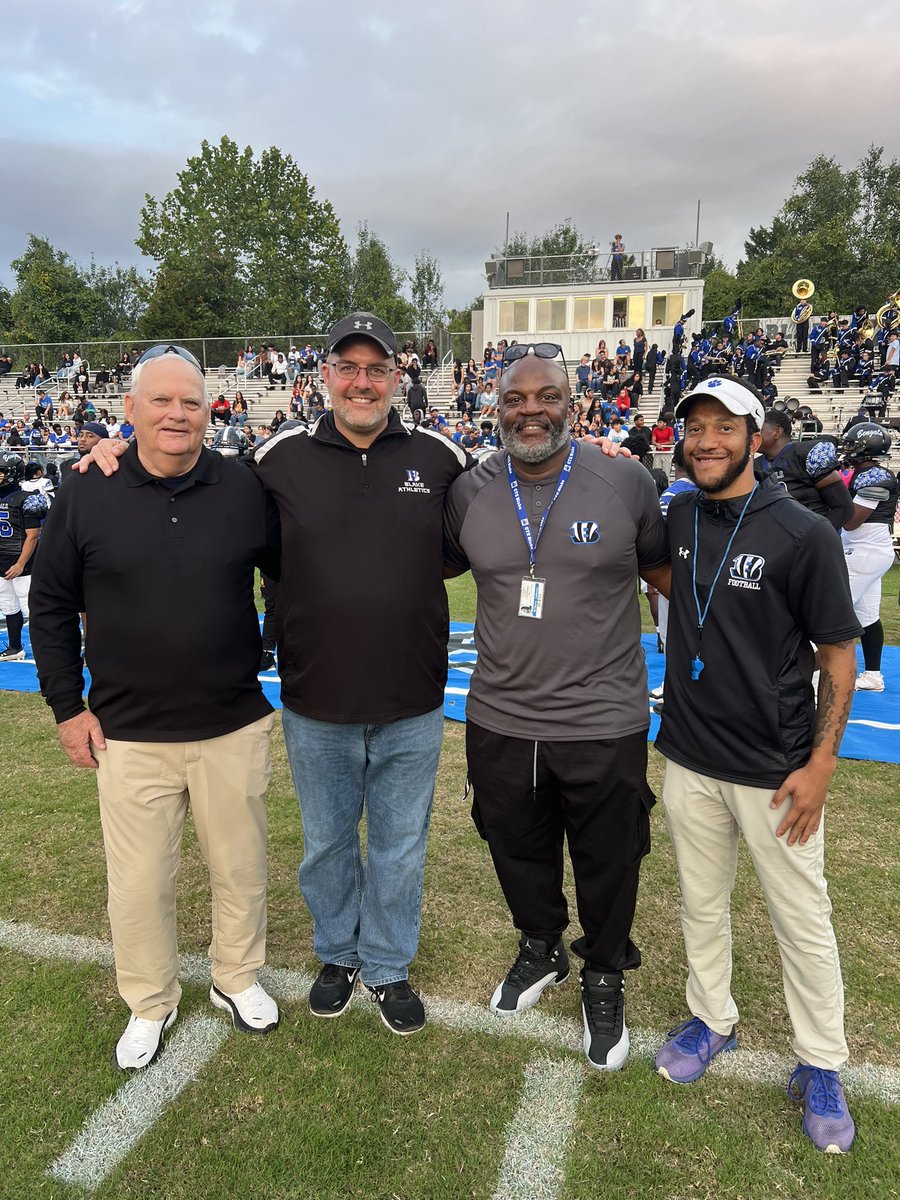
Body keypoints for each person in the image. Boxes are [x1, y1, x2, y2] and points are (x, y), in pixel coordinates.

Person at [29, 345, 282, 1070]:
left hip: (231, 721)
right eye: (162, 401)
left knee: (240, 868)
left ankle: (236, 978)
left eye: (191, 402)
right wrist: (65, 708)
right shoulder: (85, 488)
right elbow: (50, 605)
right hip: (127, 730)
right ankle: (150, 1000)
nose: (177, 414)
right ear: (131, 410)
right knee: (138, 884)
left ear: (211, 411)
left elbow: (286, 574)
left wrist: (272, 639)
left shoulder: (243, 487)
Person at [443, 344, 670, 1072]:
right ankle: (540, 947)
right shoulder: (468, 490)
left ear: (573, 403)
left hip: (603, 718)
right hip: (500, 715)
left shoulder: (626, 480)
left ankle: (603, 972)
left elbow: (667, 577)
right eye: (515, 398)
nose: (530, 410)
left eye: (546, 396)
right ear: (496, 406)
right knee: (514, 847)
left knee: (609, 860)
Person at [652, 375, 859, 1155]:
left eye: (722, 427)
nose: (705, 441)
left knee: (802, 920)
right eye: (693, 428)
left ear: (752, 434)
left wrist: (821, 766)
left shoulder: (801, 532)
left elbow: (837, 657)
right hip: (690, 755)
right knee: (701, 905)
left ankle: (821, 1063)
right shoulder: (677, 514)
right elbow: (669, 582)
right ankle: (713, 1019)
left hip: (776, 768)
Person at [838, 422, 899, 692]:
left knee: (830, 607)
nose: (847, 448)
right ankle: (873, 676)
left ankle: (812, 670)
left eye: (852, 444)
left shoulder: (875, 476)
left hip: (864, 550)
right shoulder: (865, 473)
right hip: (866, 549)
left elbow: (851, 521)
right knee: (867, 617)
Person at [758, 410, 854, 530]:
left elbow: (844, 508)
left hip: (811, 541)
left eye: (758, 430)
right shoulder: (754, 465)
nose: (752, 435)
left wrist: (814, 538)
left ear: (777, 432)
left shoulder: (806, 455)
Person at [0, 453, 49, 661]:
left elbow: (33, 536)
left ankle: (50, 650)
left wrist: (21, 563)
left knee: (34, 607)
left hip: (22, 561)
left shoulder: (27, 498)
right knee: (8, 605)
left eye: (0, 472)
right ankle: (15, 647)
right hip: (1, 559)